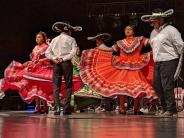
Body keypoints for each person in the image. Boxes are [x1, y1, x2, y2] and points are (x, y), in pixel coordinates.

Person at [80, 25, 157, 114]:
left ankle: (137, 108)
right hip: (122, 66)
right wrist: (100, 45)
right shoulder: (120, 42)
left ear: (133, 31)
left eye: (130, 29)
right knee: (121, 88)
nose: (127, 31)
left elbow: (152, 42)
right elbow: (110, 49)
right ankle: (121, 108)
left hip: (136, 65)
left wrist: (158, 36)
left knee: (138, 87)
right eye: (126, 30)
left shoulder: (140, 39)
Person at [141, 8, 184, 116]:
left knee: (167, 85)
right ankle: (164, 108)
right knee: (157, 85)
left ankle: (171, 109)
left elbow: (181, 45)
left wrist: (179, 60)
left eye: (154, 20)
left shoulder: (171, 30)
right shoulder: (153, 32)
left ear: (161, 19)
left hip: (169, 60)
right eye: (152, 21)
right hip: (158, 61)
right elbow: (153, 46)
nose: (152, 23)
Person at [0, 31, 50, 113]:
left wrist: (41, 60)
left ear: (44, 38)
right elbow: (33, 59)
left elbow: (50, 57)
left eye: (39, 37)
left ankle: (44, 106)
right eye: (36, 37)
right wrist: (28, 63)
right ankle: (37, 106)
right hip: (34, 68)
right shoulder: (35, 47)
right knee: (34, 87)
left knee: (42, 88)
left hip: (43, 68)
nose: (37, 39)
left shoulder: (47, 47)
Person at [45, 21, 82, 115]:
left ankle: (57, 108)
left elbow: (47, 53)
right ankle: (66, 109)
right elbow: (73, 52)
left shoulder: (54, 39)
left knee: (56, 86)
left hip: (56, 64)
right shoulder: (71, 39)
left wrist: (54, 58)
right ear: (68, 31)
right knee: (68, 85)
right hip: (65, 63)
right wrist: (63, 58)